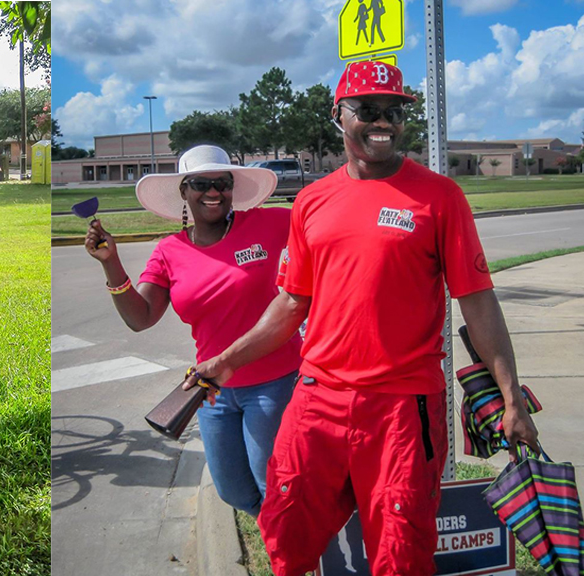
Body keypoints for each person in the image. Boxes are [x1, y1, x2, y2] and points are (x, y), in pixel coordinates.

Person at [192, 61, 538, 575]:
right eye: (368, 110)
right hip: (317, 399)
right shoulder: (311, 201)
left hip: (401, 406)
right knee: (285, 528)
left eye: (393, 112)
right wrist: (226, 360)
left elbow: (477, 299)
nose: (384, 122)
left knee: (400, 551)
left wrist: (512, 397)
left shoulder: (440, 198)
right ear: (339, 115)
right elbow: (291, 304)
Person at [84, 145, 302, 517]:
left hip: (275, 383)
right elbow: (142, 317)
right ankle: (284, 543)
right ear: (184, 192)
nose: (213, 191)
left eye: (222, 183)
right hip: (213, 391)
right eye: (201, 183)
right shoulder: (170, 250)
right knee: (234, 491)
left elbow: (321, 228)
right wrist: (112, 263)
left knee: (275, 489)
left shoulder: (269, 224)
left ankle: (293, 558)